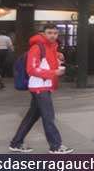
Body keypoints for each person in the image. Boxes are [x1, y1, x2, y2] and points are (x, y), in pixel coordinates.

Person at [8, 24, 73, 154]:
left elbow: (45, 63)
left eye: (55, 33)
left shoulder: (51, 47)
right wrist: (54, 73)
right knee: (48, 117)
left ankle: (16, 142)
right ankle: (55, 146)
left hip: (42, 86)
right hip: (39, 87)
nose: (52, 35)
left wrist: (57, 57)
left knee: (32, 116)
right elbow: (31, 69)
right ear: (43, 34)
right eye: (49, 33)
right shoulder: (37, 48)